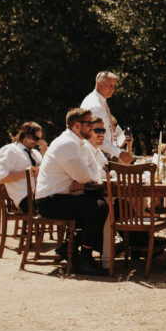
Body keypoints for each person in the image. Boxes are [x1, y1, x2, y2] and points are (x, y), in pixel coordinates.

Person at [34, 108, 109, 276]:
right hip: (50, 201)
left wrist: (83, 179)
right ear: (77, 125)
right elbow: (85, 175)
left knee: (98, 199)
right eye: (89, 124)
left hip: (65, 196)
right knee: (99, 207)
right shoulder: (66, 144)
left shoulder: (81, 144)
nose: (92, 127)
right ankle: (85, 259)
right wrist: (83, 177)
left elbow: (97, 171)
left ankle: (69, 247)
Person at [81, 71, 133, 165]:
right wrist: (119, 153)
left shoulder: (99, 101)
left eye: (114, 86)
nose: (113, 89)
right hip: (96, 157)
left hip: (101, 155)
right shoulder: (95, 105)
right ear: (99, 85)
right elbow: (97, 137)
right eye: (110, 86)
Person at [0, 121, 47, 213]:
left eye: (39, 139)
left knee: (66, 197)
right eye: (35, 138)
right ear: (25, 135)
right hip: (25, 198)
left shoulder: (36, 154)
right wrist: (26, 173)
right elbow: (1, 178)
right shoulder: (10, 150)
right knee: (63, 204)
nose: (37, 142)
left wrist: (44, 152)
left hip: (39, 194)